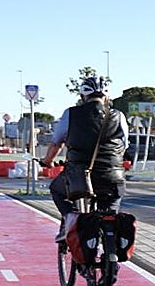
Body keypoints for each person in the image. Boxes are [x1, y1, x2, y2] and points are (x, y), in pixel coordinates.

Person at [42, 76, 129, 241]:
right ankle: (112, 249)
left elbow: (56, 143)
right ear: (106, 97)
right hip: (113, 176)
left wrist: (47, 161)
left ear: (83, 96)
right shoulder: (118, 116)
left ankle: (70, 218)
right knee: (111, 209)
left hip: (79, 176)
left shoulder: (71, 114)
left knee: (57, 189)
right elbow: (124, 146)